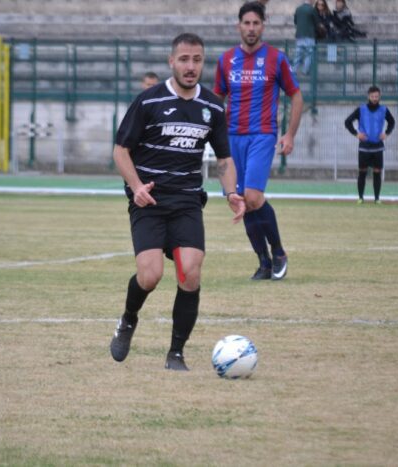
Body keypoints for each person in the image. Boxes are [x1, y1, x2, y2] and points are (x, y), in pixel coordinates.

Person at [110, 32, 246, 371]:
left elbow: (224, 159)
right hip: (150, 202)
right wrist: (137, 186)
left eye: (197, 60)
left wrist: (231, 192)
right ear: (172, 62)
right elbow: (120, 150)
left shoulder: (213, 105)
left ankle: (176, 353)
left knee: (190, 274)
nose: (190, 66)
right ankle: (128, 319)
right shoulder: (149, 101)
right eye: (184, 60)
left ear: (203, 63)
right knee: (151, 276)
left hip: (187, 201)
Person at [214, 1, 303, 281]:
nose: (251, 28)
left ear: (263, 26)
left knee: (252, 197)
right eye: (246, 23)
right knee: (242, 200)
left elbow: (296, 96)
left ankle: (278, 252)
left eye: (256, 23)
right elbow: (217, 100)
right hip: (231, 138)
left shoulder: (276, 58)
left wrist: (289, 134)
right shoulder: (225, 60)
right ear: (238, 25)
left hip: (262, 135)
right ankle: (263, 261)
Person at [344, 85, 395, 204]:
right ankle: (360, 198)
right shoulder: (361, 109)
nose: (375, 98)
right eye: (372, 96)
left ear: (379, 96)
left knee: (377, 172)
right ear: (368, 96)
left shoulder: (384, 109)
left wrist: (386, 133)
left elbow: (392, 122)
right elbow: (347, 122)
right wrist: (356, 134)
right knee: (362, 172)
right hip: (364, 148)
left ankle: (377, 199)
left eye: (377, 96)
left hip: (378, 147)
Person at [293, 0, 320, 75]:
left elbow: (295, 21)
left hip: (299, 35)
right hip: (310, 35)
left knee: (298, 54)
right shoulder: (312, 9)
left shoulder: (298, 9)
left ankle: (294, 70)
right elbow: (317, 22)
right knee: (309, 54)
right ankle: (305, 71)